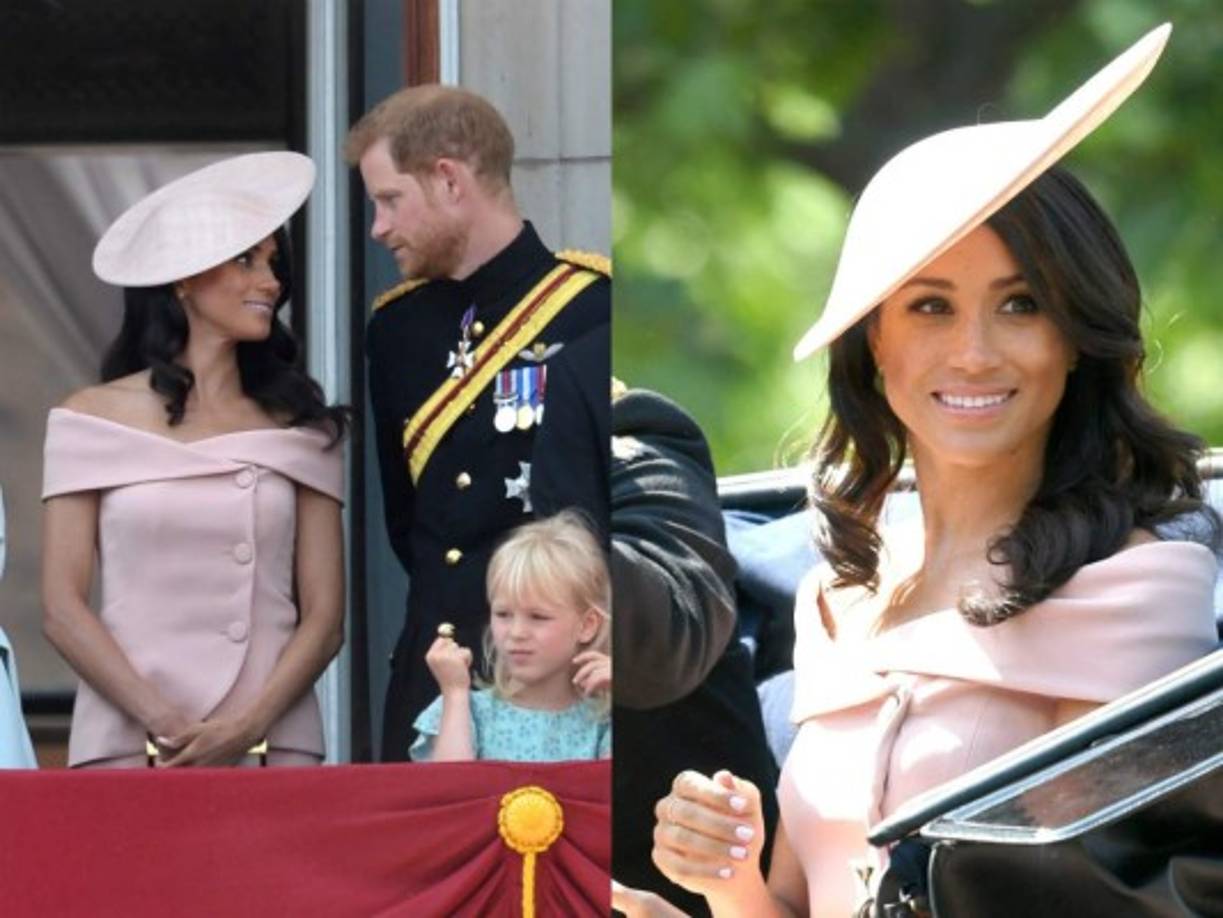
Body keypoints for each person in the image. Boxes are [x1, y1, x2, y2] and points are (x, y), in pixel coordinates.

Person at [642, 24, 1221, 916]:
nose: (975, 352)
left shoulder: (1138, 593)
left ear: (1075, 338)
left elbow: (1071, 902)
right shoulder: (836, 599)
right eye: (928, 307)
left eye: (1021, 304)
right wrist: (721, 883)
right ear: (875, 340)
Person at [41, 152, 349, 768]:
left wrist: (248, 725)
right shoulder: (89, 418)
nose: (271, 282)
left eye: (271, 262)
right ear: (183, 277)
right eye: (246, 260)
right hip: (129, 745)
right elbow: (60, 606)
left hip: (270, 747)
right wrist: (166, 723)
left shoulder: (300, 425)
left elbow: (325, 616)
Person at [344, 84, 611, 761]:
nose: (378, 227)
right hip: (437, 670)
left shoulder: (592, 310)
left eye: (388, 200)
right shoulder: (397, 328)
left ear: (448, 180)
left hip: (559, 684)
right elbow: (408, 525)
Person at [409, 511, 611, 762]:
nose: (516, 633)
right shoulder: (465, 710)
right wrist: (454, 693)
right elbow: (450, 794)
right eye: (503, 614)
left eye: (538, 617)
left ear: (587, 626)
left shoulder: (602, 721)